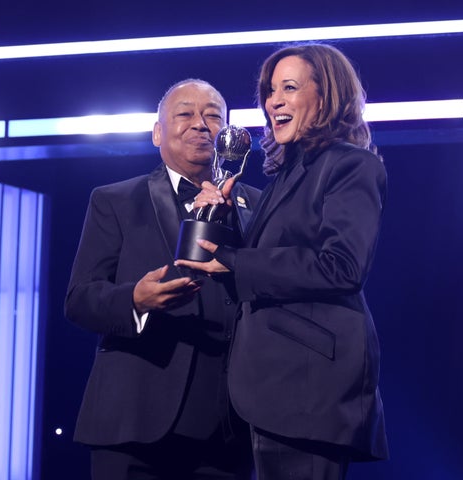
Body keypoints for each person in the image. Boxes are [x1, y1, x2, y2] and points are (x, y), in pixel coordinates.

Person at [174, 44, 389, 479]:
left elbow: (341, 267)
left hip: (309, 387)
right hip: (273, 388)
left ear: (325, 98)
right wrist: (224, 216)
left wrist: (235, 261)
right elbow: (267, 262)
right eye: (270, 91)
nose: (273, 101)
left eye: (288, 88)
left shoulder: (352, 166)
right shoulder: (288, 174)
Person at [64, 78, 260, 480]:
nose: (201, 124)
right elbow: (80, 299)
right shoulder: (115, 200)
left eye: (212, 116)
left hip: (230, 427)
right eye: (185, 113)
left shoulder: (257, 205)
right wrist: (135, 300)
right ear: (157, 132)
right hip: (135, 422)